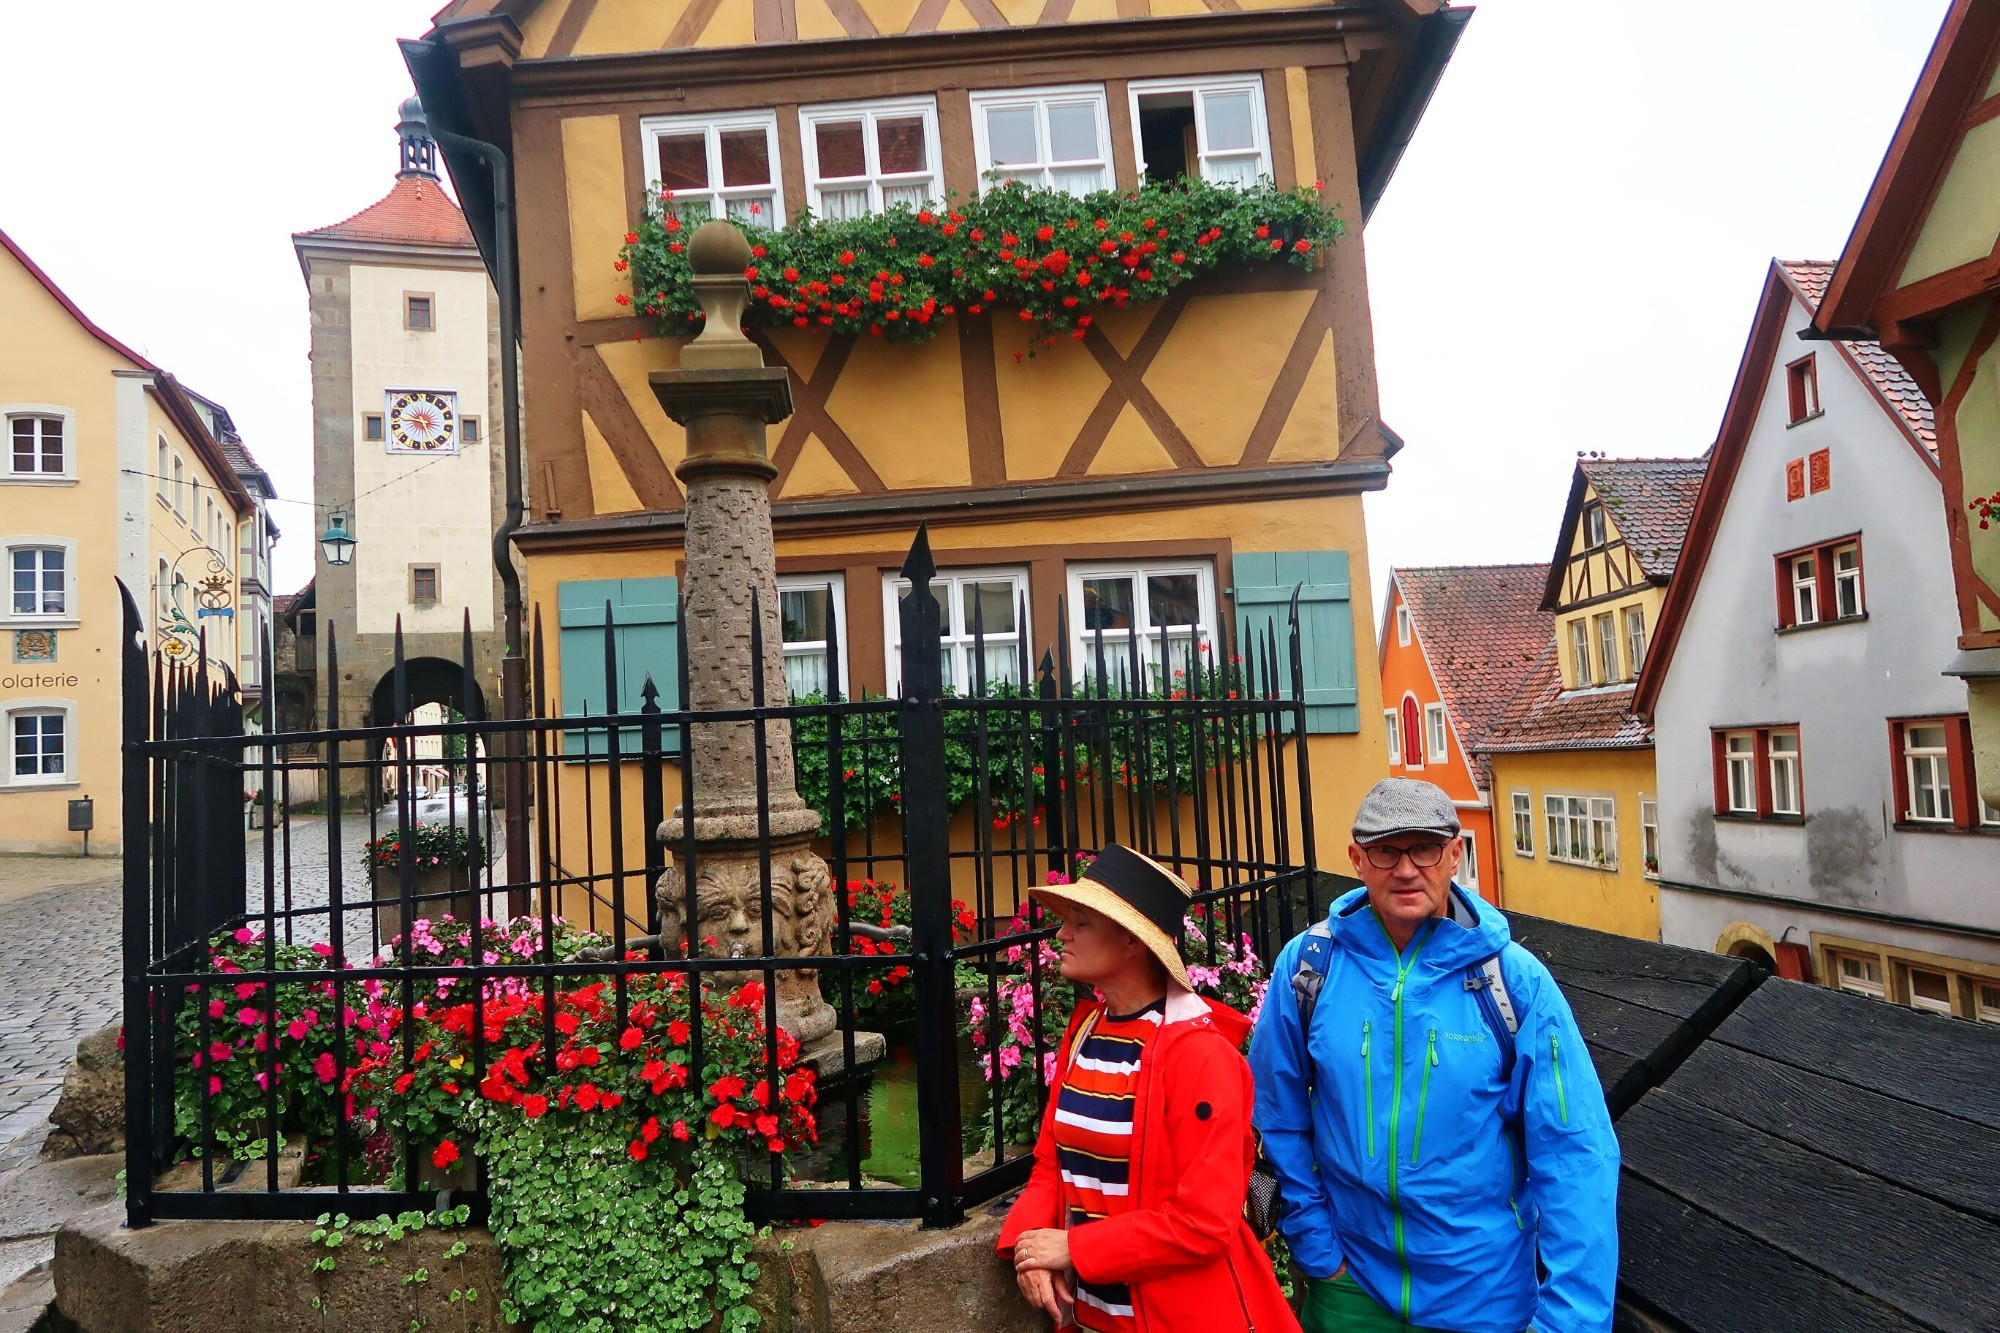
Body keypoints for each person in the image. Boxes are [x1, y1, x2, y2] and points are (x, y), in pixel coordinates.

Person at [1249, 779, 1619, 1333]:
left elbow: (1575, 1154)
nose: (1405, 869)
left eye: (1424, 847)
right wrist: (1317, 1245)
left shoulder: (1512, 981)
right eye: (1385, 850)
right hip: (1351, 1289)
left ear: (1454, 855)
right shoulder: (1308, 968)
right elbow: (1275, 1113)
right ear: (1356, 859)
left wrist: (1571, 1321)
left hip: (1483, 1296)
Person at [999, 844, 1299, 1333]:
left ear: (1133, 941)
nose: (1061, 933)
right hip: (1094, 1319)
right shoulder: (1086, 1033)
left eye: (1082, 922)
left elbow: (1204, 1223)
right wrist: (1030, 1247)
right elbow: (1052, 1162)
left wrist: (1073, 1249)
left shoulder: (1202, 1057)